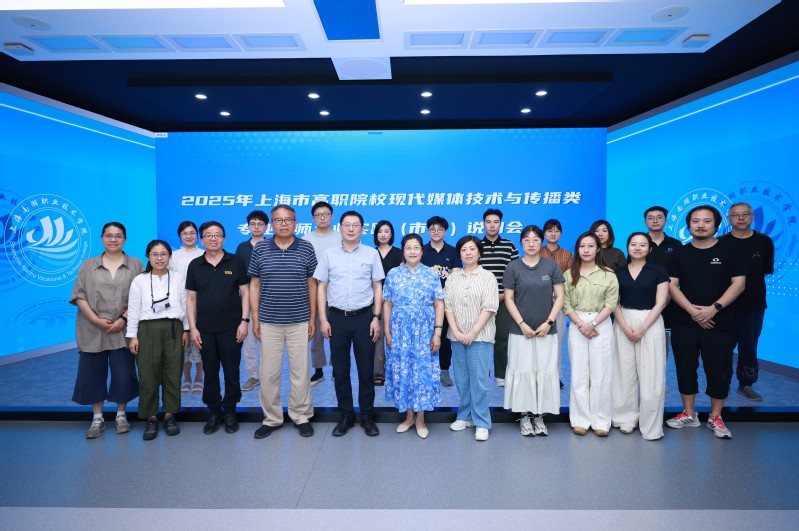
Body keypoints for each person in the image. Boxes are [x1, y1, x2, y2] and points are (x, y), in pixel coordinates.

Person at [666, 205, 746, 439]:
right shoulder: (679, 253)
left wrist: (713, 309)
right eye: (695, 221)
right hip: (684, 321)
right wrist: (693, 311)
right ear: (688, 225)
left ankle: (715, 417)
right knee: (685, 368)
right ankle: (689, 414)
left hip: (720, 322)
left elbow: (739, 284)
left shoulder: (731, 250)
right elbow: (672, 285)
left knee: (719, 370)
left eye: (706, 221)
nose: (700, 225)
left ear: (717, 225)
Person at [249, 205, 317, 439]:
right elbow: (254, 284)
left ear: (296, 223)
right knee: (269, 373)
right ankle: (272, 418)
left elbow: (312, 284)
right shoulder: (260, 248)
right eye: (279, 220)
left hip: (299, 320)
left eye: (289, 220)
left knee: (301, 372)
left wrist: (312, 318)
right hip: (269, 321)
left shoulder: (306, 247)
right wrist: (255, 318)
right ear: (271, 224)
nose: (284, 224)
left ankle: (301, 416)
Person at [315, 210, 385, 437]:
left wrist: (376, 318)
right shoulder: (329, 254)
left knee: (366, 371)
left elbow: (377, 287)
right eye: (347, 225)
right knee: (340, 370)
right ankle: (345, 415)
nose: (351, 229)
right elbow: (321, 287)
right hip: (336, 318)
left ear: (363, 229)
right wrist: (323, 319)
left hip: (365, 318)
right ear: (340, 228)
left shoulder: (371, 254)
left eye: (356, 225)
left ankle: (367, 416)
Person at [70, 222, 143, 439]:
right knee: (92, 374)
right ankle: (97, 418)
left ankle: (121, 415)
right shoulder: (88, 265)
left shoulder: (136, 264)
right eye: (109, 235)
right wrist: (96, 320)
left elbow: (141, 297)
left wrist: (123, 319)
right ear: (102, 238)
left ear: (125, 239)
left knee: (123, 375)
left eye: (118, 236)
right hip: (92, 329)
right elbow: (79, 295)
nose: (113, 239)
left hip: (123, 329)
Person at [186, 221, 251, 435]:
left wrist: (244, 321)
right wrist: (193, 328)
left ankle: (230, 410)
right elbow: (191, 298)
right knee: (210, 371)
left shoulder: (236, 261)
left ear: (224, 238)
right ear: (202, 239)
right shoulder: (195, 265)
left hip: (232, 327)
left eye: (218, 235)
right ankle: (214, 411)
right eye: (208, 235)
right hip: (204, 328)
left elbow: (245, 292)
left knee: (232, 371)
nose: (213, 239)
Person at [503, 225, 565, 437]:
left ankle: (539, 415)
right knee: (523, 371)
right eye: (527, 240)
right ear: (521, 242)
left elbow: (560, 297)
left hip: (546, 330)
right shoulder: (513, 267)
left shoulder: (551, 266)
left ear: (542, 242)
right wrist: (522, 324)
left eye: (535, 239)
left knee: (543, 371)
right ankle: (524, 415)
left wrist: (549, 322)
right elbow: (509, 299)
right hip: (520, 330)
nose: (531, 244)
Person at [383, 234, 445, 439]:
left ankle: (420, 419)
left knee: (422, 373)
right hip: (400, 333)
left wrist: (437, 333)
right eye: (408, 247)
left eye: (416, 247)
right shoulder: (393, 274)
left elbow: (439, 304)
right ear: (403, 251)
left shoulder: (430, 274)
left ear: (422, 251)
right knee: (404, 372)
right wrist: (387, 331)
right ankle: (409, 416)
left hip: (424, 333)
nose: (412, 251)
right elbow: (387, 304)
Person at [126, 240, 189, 440]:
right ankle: (151, 417)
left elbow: (185, 304)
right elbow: (133, 309)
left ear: (169, 256)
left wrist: (186, 329)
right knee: (148, 374)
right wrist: (132, 336)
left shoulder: (178, 278)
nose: (159, 258)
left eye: (163, 254)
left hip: (173, 328)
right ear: (148, 257)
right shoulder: (139, 280)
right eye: (155, 254)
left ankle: (170, 415)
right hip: (147, 330)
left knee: (173, 372)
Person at [611, 232, 669, 440]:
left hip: (650, 322)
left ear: (650, 249)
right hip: (623, 321)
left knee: (651, 375)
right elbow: (614, 302)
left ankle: (650, 425)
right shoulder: (618, 272)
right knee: (623, 373)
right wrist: (625, 327)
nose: (637, 248)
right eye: (633, 244)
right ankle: (625, 419)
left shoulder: (659, 271)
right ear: (627, 247)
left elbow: (661, 303)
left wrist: (643, 328)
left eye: (642, 245)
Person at [563, 232, 619, 437]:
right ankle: (580, 420)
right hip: (577, 323)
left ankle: (601, 421)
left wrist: (593, 323)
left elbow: (611, 303)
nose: (586, 250)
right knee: (578, 374)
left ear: (598, 249)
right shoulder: (569, 275)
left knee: (601, 374)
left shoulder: (608, 274)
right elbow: (565, 303)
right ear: (577, 249)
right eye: (582, 246)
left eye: (590, 246)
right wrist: (581, 324)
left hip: (600, 323)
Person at [445, 236, 499, 442]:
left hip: (481, 336)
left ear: (479, 252)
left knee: (479, 381)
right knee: (462, 379)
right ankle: (465, 416)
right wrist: (456, 331)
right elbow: (448, 306)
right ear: (459, 254)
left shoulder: (487, 277)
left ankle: (482, 421)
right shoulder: (453, 278)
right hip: (457, 336)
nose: (468, 253)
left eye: (472, 249)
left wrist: (473, 332)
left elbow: (490, 307)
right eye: (464, 250)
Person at [720, 202, 774, 401]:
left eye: (745, 214)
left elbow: (765, 270)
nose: (741, 218)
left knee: (749, 345)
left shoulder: (764, 241)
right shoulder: (720, 243)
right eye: (736, 215)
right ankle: (722, 383)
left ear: (752, 217)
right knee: (722, 346)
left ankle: (746, 384)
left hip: (754, 303)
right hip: (725, 305)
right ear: (729, 219)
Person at [303, 201, 342, 386]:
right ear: (313, 218)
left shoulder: (341, 237)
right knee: (316, 332)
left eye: (326, 214)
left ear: (332, 216)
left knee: (337, 332)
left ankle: (336, 369)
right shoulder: (306, 239)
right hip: (313, 291)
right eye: (318, 215)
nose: (323, 218)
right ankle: (318, 370)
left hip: (337, 292)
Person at [478, 209, 519, 387]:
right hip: (480, 301)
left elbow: (515, 272)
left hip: (504, 299)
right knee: (481, 339)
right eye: (488, 222)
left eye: (496, 222)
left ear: (500, 224)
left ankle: (501, 374)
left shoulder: (509, 246)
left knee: (502, 338)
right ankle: (482, 374)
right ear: (483, 224)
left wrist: (504, 294)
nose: (492, 225)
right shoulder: (477, 245)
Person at [421, 215, 459, 387]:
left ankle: (444, 371)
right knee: (424, 338)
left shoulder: (452, 251)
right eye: (432, 229)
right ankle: (426, 372)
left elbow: (456, 277)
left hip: (445, 303)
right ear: (428, 231)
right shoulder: (421, 250)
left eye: (440, 229)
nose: (436, 232)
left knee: (444, 339)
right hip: (424, 303)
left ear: (445, 232)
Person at [170, 221, 205, 395]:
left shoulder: (204, 253)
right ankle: (187, 378)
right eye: (185, 233)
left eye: (192, 233)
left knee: (199, 343)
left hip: (201, 305)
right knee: (183, 345)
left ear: (197, 235)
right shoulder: (173, 256)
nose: (189, 236)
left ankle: (199, 377)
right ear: (180, 236)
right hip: (179, 306)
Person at [236, 210, 267, 392]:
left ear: (266, 227)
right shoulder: (242, 248)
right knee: (248, 341)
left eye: (260, 224)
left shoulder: (272, 245)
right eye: (253, 224)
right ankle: (254, 376)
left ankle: (267, 375)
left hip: (268, 298)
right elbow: (238, 274)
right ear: (247, 227)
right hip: (246, 298)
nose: (256, 227)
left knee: (267, 340)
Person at [540, 218, 573, 388]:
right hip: (538, 303)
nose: (553, 234)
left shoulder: (567, 255)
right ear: (544, 234)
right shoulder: (537, 251)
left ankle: (556, 375)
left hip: (558, 304)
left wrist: (557, 294)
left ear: (561, 233)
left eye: (556, 231)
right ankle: (540, 376)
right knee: (539, 343)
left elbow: (570, 279)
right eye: (550, 231)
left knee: (557, 342)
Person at [373, 220, 403, 387]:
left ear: (391, 234)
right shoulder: (370, 253)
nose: (383, 234)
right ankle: (378, 373)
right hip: (375, 302)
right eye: (380, 231)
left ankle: (395, 372)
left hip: (395, 303)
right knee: (376, 338)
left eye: (386, 231)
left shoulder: (399, 253)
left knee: (395, 337)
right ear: (376, 234)